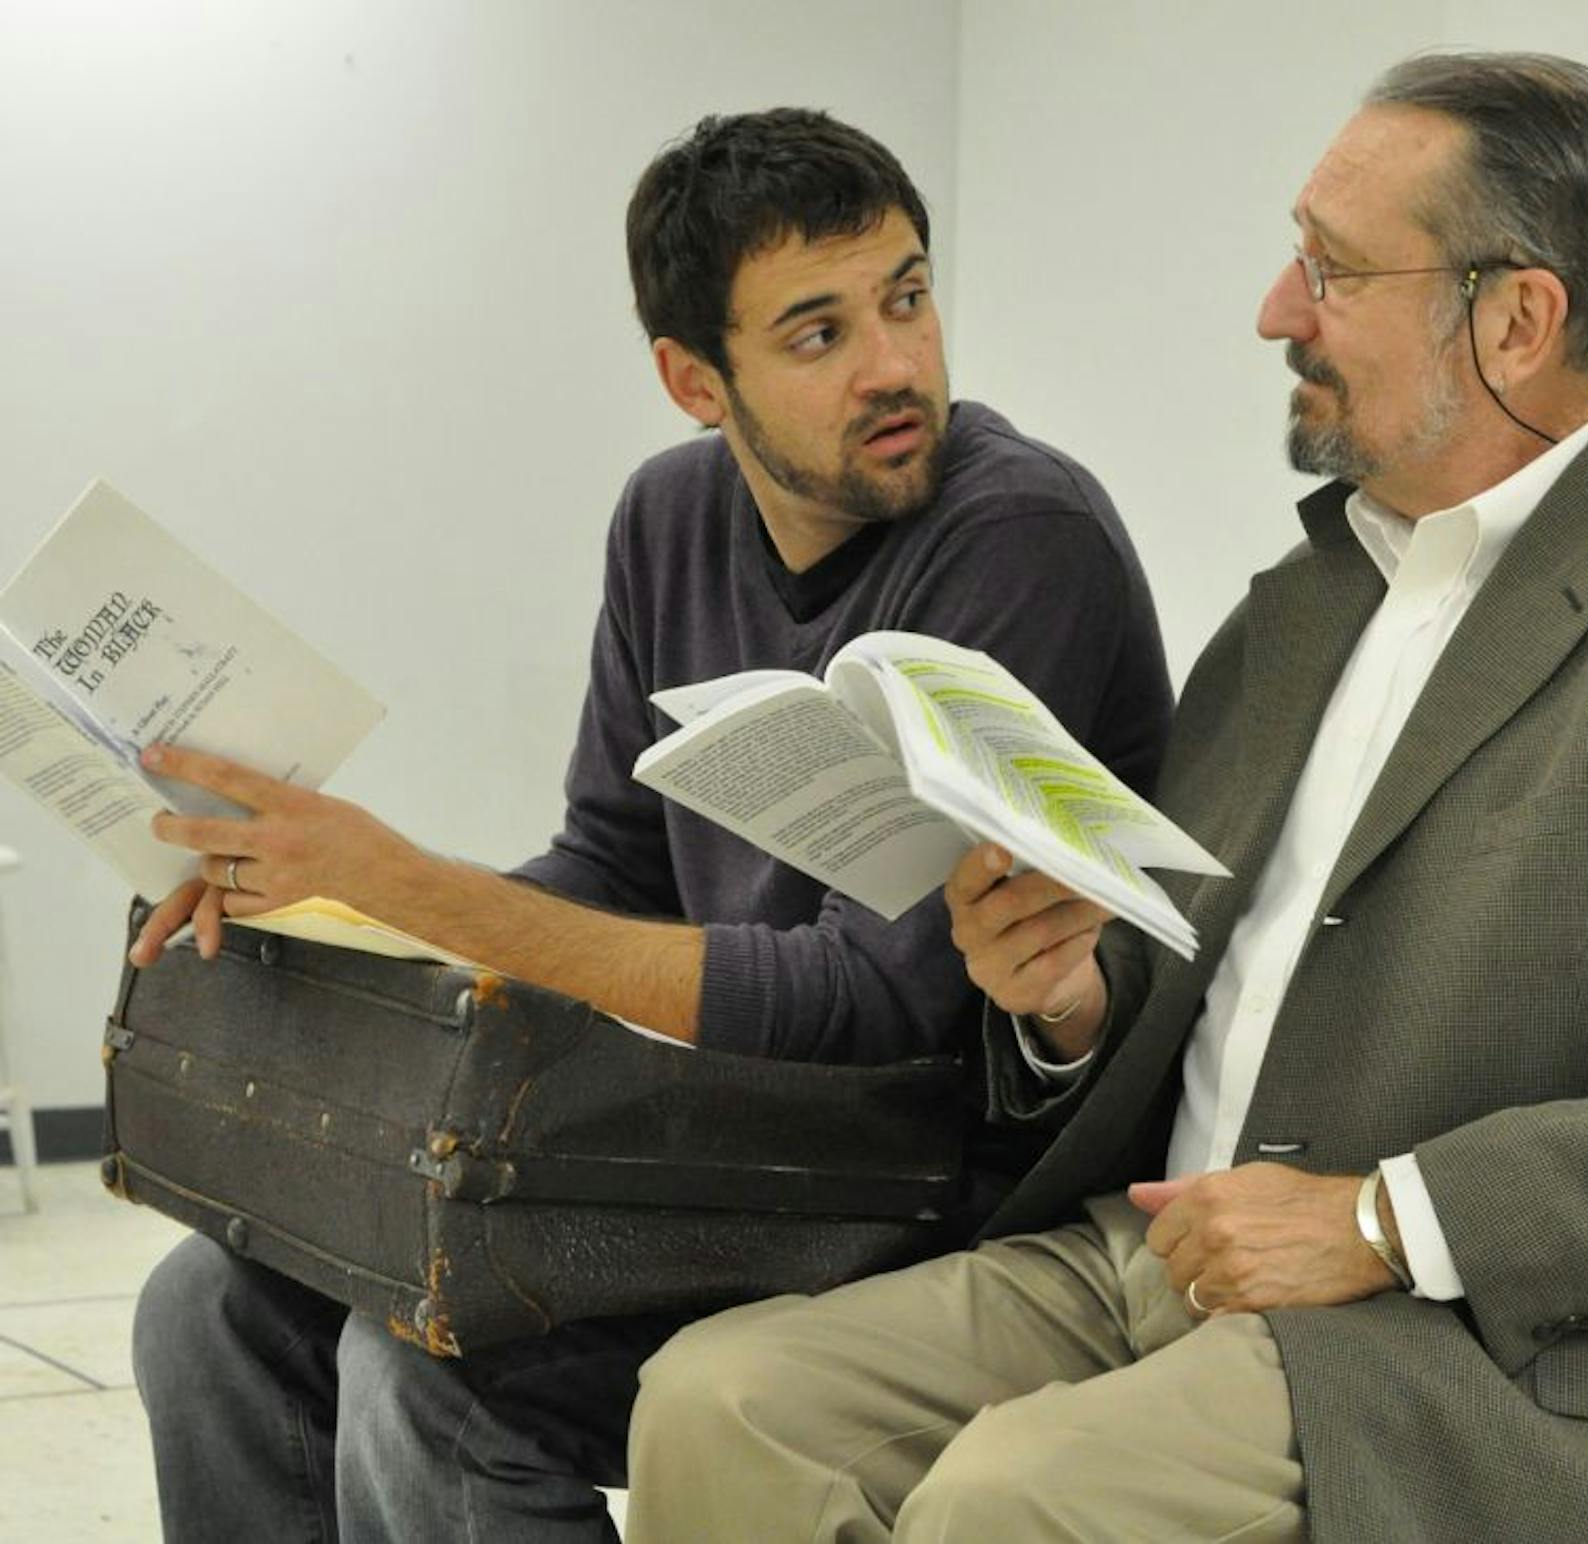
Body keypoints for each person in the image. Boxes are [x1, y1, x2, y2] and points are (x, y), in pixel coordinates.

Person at [624, 53, 1588, 1543]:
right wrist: (1064, 999)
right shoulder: (1306, 600)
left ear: (1515, 319)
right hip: (1159, 1253)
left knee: (1017, 1502)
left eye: (1331, 270)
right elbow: (1193, 977)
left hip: (1490, 1347)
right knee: (716, 1400)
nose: (1275, 309)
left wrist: (1384, 1220)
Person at [125, 108, 1174, 1543]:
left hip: (919, 1177)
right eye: (818, 334)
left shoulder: (1019, 538)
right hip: (719, 1142)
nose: (894, 365)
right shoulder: (669, 517)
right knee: (205, 1311)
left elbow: (882, 1001)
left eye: (908, 297)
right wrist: (327, 902)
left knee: (429, 1377)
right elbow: (612, 862)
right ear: (695, 380)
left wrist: (418, 886)